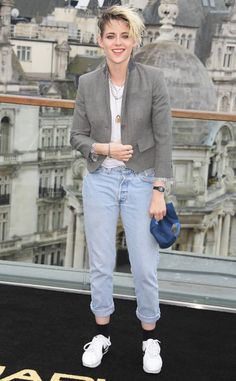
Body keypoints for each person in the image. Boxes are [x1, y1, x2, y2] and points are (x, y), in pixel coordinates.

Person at [70, 5, 172, 374]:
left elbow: (165, 137)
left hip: (143, 179)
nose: (118, 42)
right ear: (100, 40)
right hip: (100, 178)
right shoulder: (86, 83)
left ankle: (150, 339)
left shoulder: (153, 79)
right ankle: (102, 334)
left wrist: (159, 188)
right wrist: (103, 148)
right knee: (101, 264)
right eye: (111, 35)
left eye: (124, 36)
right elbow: (76, 136)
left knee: (144, 266)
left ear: (135, 41)